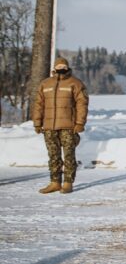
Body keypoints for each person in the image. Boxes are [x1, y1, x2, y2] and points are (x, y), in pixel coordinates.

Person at [32, 56, 89, 194]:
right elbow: (39, 105)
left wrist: (80, 122)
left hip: (68, 126)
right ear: (54, 68)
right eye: (59, 67)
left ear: (67, 68)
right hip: (49, 127)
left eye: (64, 67)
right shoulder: (45, 84)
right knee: (53, 155)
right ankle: (55, 182)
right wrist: (37, 123)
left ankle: (68, 182)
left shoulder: (75, 83)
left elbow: (82, 104)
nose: (61, 69)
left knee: (69, 155)